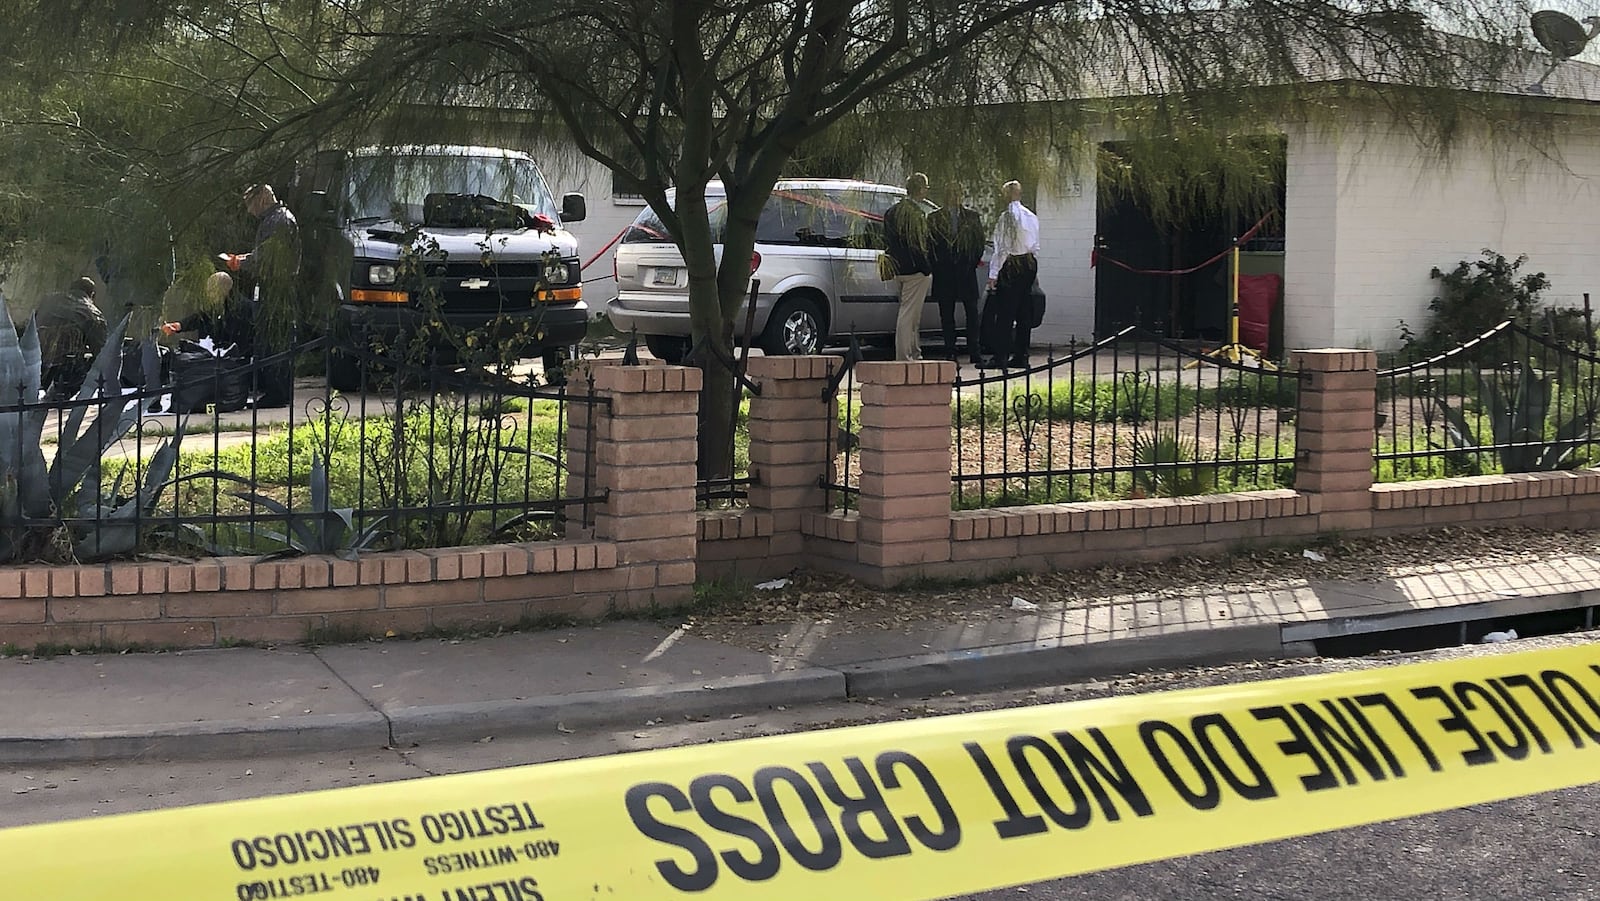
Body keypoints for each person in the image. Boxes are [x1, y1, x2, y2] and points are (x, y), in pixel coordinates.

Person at [165, 183, 301, 407]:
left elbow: (268, 259)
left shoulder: (277, 221)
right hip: (274, 284)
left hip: (277, 286)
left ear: (261, 199)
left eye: (249, 204)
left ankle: (277, 392)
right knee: (272, 338)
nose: (248, 210)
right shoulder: (275, 220)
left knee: (273, 340)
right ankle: (277, 391)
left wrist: (241, 262)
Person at [978, 180, 1041, 370]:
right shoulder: (1031, 216)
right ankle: (1022, 355)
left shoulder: (1006, 218)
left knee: (1005, 312)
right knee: (1024, 312)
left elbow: (1002, 248)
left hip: (1012, 263)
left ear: (1006, 195)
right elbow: (1036, 245)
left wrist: (994, 273)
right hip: (1029, 262)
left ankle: (1001, 356)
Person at [881, 172, 937, 362]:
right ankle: (905, 355)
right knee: (908, 314)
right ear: (920, 189)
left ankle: (914, 351)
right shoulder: (916, 214)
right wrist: (926, 268)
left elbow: (887, 239)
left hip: (898, 268)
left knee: (912, 313)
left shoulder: (891, 212)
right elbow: (918, 244)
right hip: (915, 270)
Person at [928, 183, 986, 364]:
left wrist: (970, 262)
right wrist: (937, 265)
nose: (954, 197)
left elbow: (979, 243)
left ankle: (974, 351)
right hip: (944, 273)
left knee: (972, 313)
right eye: (951, 194)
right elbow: (930, 245)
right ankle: (950, 350)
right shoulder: (934, 218)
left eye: (957, 194)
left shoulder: (972, 217)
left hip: (966, 272)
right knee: (946, 314)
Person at [36, 277, 108, 399]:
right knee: (94, 361)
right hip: (66, 370)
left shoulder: (48, 300)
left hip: (36, 363)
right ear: (92, 294)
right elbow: (101, 350)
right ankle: (60, 396)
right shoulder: (93, 313)